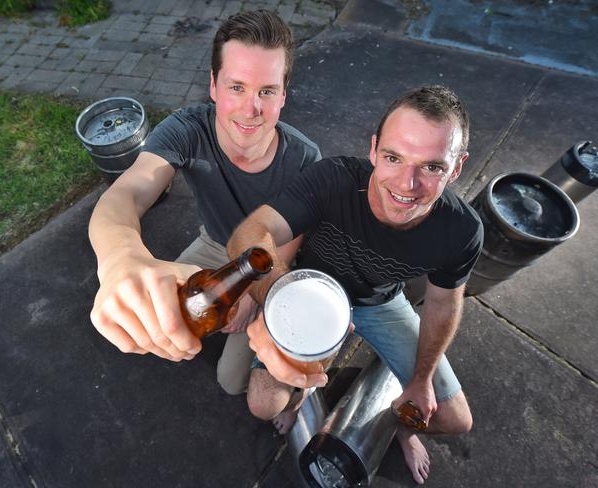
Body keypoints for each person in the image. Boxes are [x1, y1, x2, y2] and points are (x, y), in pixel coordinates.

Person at [227, 85, 483, 485]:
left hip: (380, 305)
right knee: (263, 404)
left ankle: (397, 423)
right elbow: (249, 236)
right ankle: (312, 388)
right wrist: (281, 306)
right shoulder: (333, 178)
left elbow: (443, 305)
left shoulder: (463, 230)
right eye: (393, 157)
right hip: (309, 294)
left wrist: (420, 379)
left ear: (457, 168)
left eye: (432, 167)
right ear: (374, 149)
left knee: (453, 419)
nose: (406, 184)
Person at [88, 10, 321, 396]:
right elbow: (126, 194)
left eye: (266, 91)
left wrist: (248, 297)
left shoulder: (306, 159)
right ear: (213, 86)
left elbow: (285, 247)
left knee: (230, 382)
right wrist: (120, 259)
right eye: (236, 88)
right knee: (162, 312)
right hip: (213, 242)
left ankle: (296, 389)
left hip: (270, 259)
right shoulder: (186, 130)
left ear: (283, 93)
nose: (251, 109)